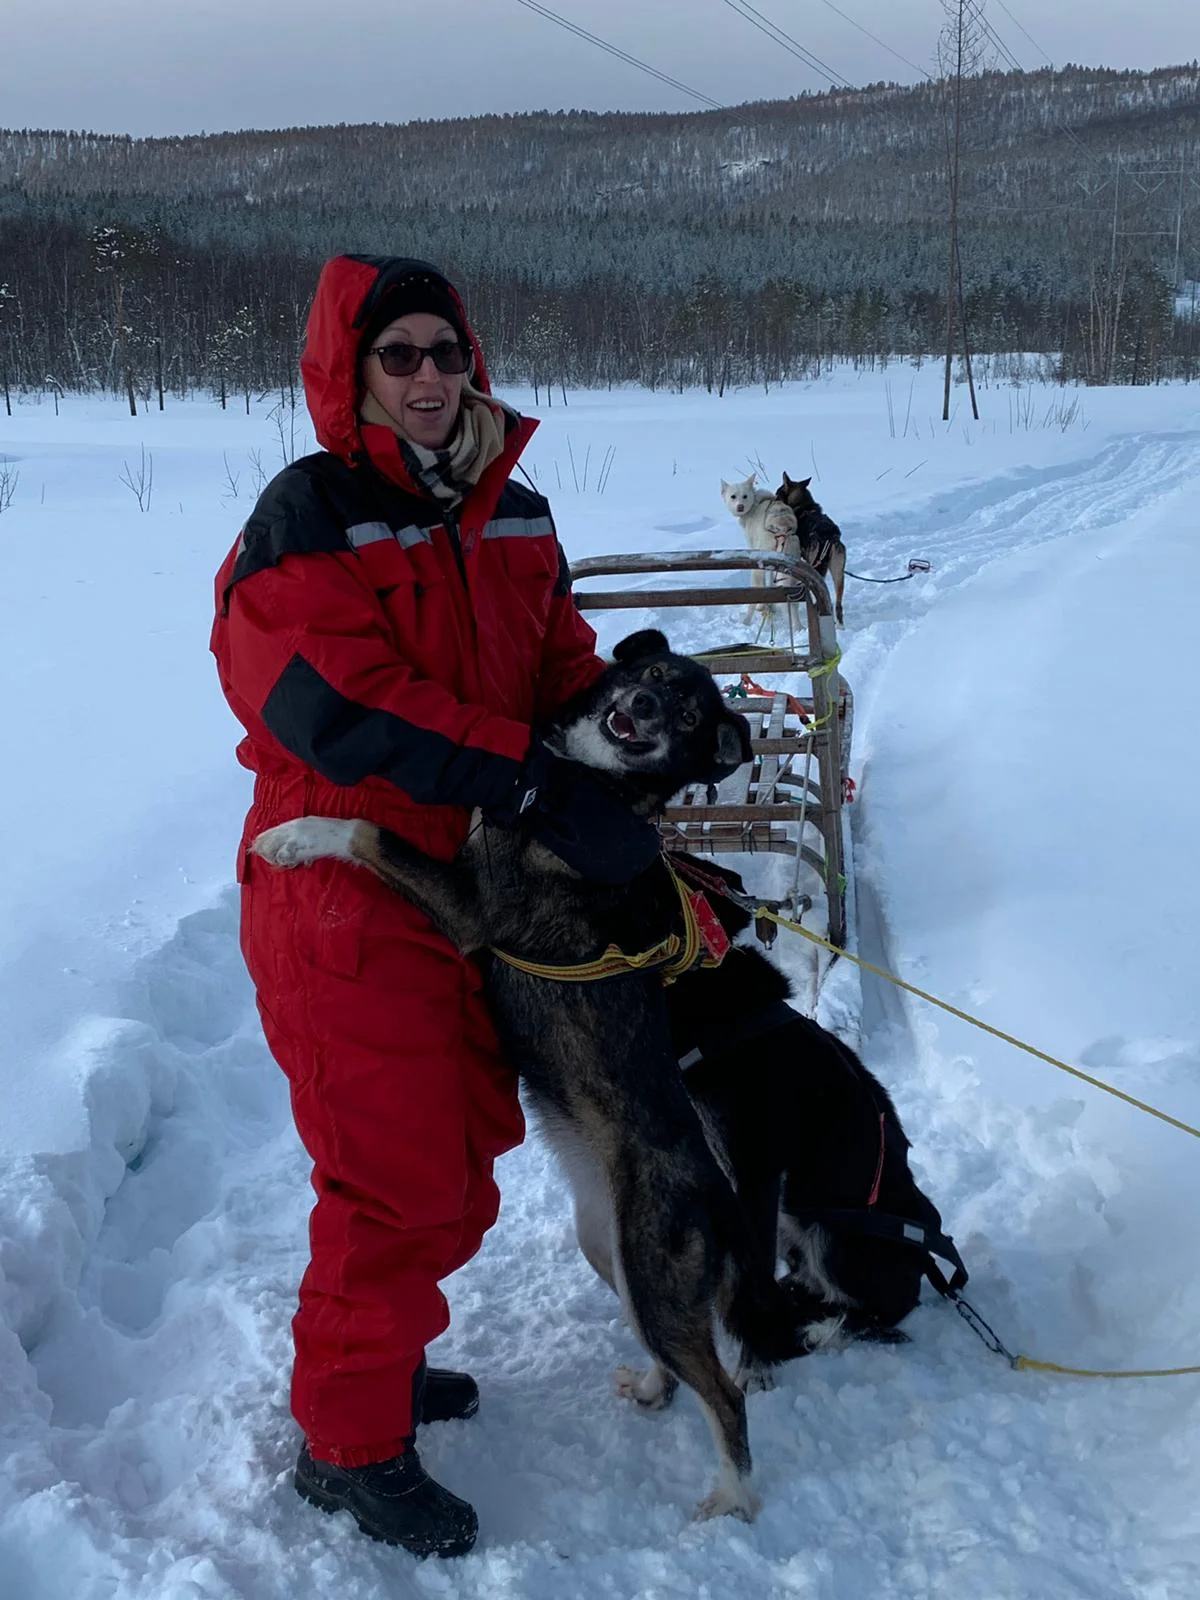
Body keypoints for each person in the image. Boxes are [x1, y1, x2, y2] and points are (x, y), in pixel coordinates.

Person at [210, 256, 648, 1557]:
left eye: (445, 352)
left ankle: (382, 1357)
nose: (427, 377)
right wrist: (527, 778)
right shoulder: (307, 518)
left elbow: (559, 667)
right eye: (396, 354)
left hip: (472, 888)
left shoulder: (516, 511)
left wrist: (621, 749)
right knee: (393, 1176)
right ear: (350, 373)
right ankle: (346, 1447)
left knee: (460, 1163)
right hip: (341, 889)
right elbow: (334, 706)